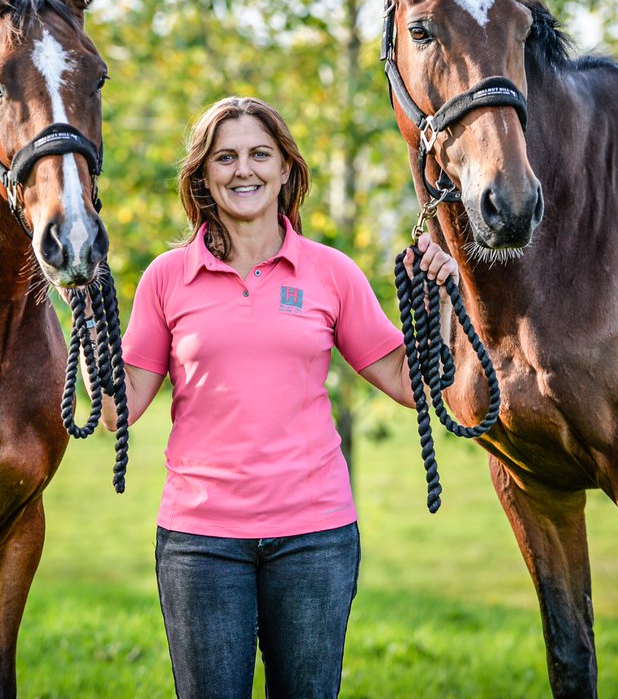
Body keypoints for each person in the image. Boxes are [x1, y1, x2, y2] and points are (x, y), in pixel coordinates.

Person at [101, 96, 457, 699]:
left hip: (315, 537)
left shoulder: (331, 272)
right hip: (200, 542)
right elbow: (118, 410)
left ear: (286, 169)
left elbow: (410, 382)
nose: (245, 170)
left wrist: (443, 296)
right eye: (227, 157)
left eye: (260, 154)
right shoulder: (167, 277)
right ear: (204, 176)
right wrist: (89, 313)